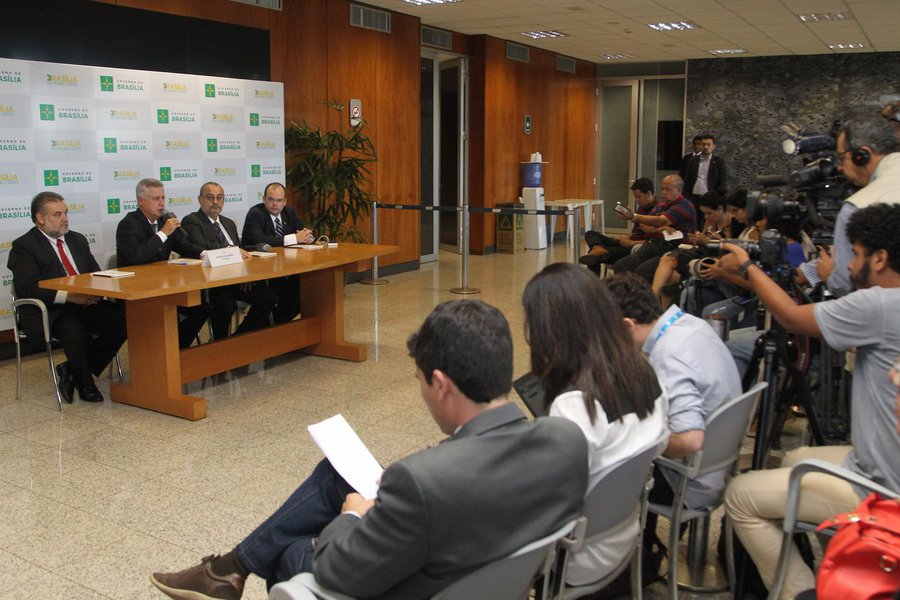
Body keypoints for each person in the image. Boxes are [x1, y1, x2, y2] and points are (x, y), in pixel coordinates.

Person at [150, 300, 589, 600]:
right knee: (335, 474)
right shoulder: (565, 440)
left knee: (289, 549)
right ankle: (227, 571)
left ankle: (231, 570)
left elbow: (338, 569)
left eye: (419, 382)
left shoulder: (421, 479)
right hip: (485, 569)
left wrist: (353, 517)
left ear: (441, 385)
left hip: (412, 583)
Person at [720, 203, 900, 599]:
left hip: (882, 491)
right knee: (795, 459)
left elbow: (789, 315)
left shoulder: (879, 305)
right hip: (876, 464)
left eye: (855, 254)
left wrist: (748, 266)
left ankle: (799, 592)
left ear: (880, 258)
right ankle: (846, 570)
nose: (848, 265)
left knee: (740, 496)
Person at [522, 263, 668, 586]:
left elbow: (550, 501)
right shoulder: (644, 372)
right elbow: (657, 445)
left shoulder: (574, 404)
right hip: (625, 535)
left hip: (574, 557)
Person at [603, 272, 741, 557]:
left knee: (601, 469)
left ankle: (625, 561)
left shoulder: (669, 355)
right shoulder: (691, 324)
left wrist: (640, 439)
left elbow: (690, 440)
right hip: (719, 463)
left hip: (689, 481)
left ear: (627, 325)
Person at [8, 192, 126, 403]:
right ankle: (85, 384)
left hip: (84, 303)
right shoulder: (24, 246)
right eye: (57, 214)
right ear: (40, 218)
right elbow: (28, 288)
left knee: (121, 324)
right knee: (75, 331)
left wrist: (96, 291)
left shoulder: (77, 239)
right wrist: (68, 296)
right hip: (51, 309)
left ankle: (70, 369)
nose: (65, 219)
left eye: (66, 213)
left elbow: (93, 273)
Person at [810, 113, 900, 297]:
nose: (840, 167)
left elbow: (844, 284)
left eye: (842, 157)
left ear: (862, 155)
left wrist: (830, 276)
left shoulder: (858, 206)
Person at [116, 178, 209, 349]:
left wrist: (204, 253)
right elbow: (136, 257)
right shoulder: (128, 224)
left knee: (202, 308)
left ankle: (176, 349)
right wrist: (163, 233)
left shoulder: (162, 222)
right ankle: (166, 353)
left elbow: (184, 245)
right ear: (141, 201)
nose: (161, 203)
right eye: (156, 199)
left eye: (163, 198)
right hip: (137, 292)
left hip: (163, 288)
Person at [181, 182, 278, 340]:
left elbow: (242, 252)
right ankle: (220, 344)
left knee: (268, 296)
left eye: (219, 198)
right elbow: (202, 246)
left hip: (237, 280)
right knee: (226, 305)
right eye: (210, 197)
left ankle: (239, 339)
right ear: (200, 199)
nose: (215, 202)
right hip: (213, 285)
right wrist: (231, 250)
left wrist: (247, 274)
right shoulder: (191, 221)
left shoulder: (228, 223)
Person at [241, 182, 314, 323]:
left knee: (306, 288)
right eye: (271, 199)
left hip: (285, 269)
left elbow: (302, 231)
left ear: (285, 201)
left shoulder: (288, 212)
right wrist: (294, 238)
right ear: (264, 199)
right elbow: (260, 240)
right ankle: (271, 327)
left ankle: (275, 325)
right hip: (261, 273)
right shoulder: (256, 213)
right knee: (290, 291)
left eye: (279, 200)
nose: (275, 204)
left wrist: (308, 236)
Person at [611, 174, 697, 280]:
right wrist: (659, 229)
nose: (664, 192)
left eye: (668, 189)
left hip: (673, 248)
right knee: (620, 266)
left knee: (642, 271)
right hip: (653, 244)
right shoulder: (662, 205)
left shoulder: (684, 205)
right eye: (662, 189)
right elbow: (644, 225)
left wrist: (634, 216)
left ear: (679, 190)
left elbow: (661, 220)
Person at [579, 177, 657, 273]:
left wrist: (630, 243)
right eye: (635, 197)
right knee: (590, 234)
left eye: (639, 197)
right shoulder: (642, 207)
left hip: (635, 247)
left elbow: (654, 242)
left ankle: (597, 253)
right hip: (629, 241)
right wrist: (627, 237)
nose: (637, 200)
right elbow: (637, 230)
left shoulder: (658, 211)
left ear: (648, 194)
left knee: (593, 255)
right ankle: (597, 248)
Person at [683, 134, 728, 210]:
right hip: (694, 198)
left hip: (710, 200)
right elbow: (687, 180)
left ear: (713, 146)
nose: (705, 147)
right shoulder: (693, 160)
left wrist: (715, 196)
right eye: (703, 144)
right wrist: (687, 196)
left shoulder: (718, 161)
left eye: (708, 144)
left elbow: (722, 182)